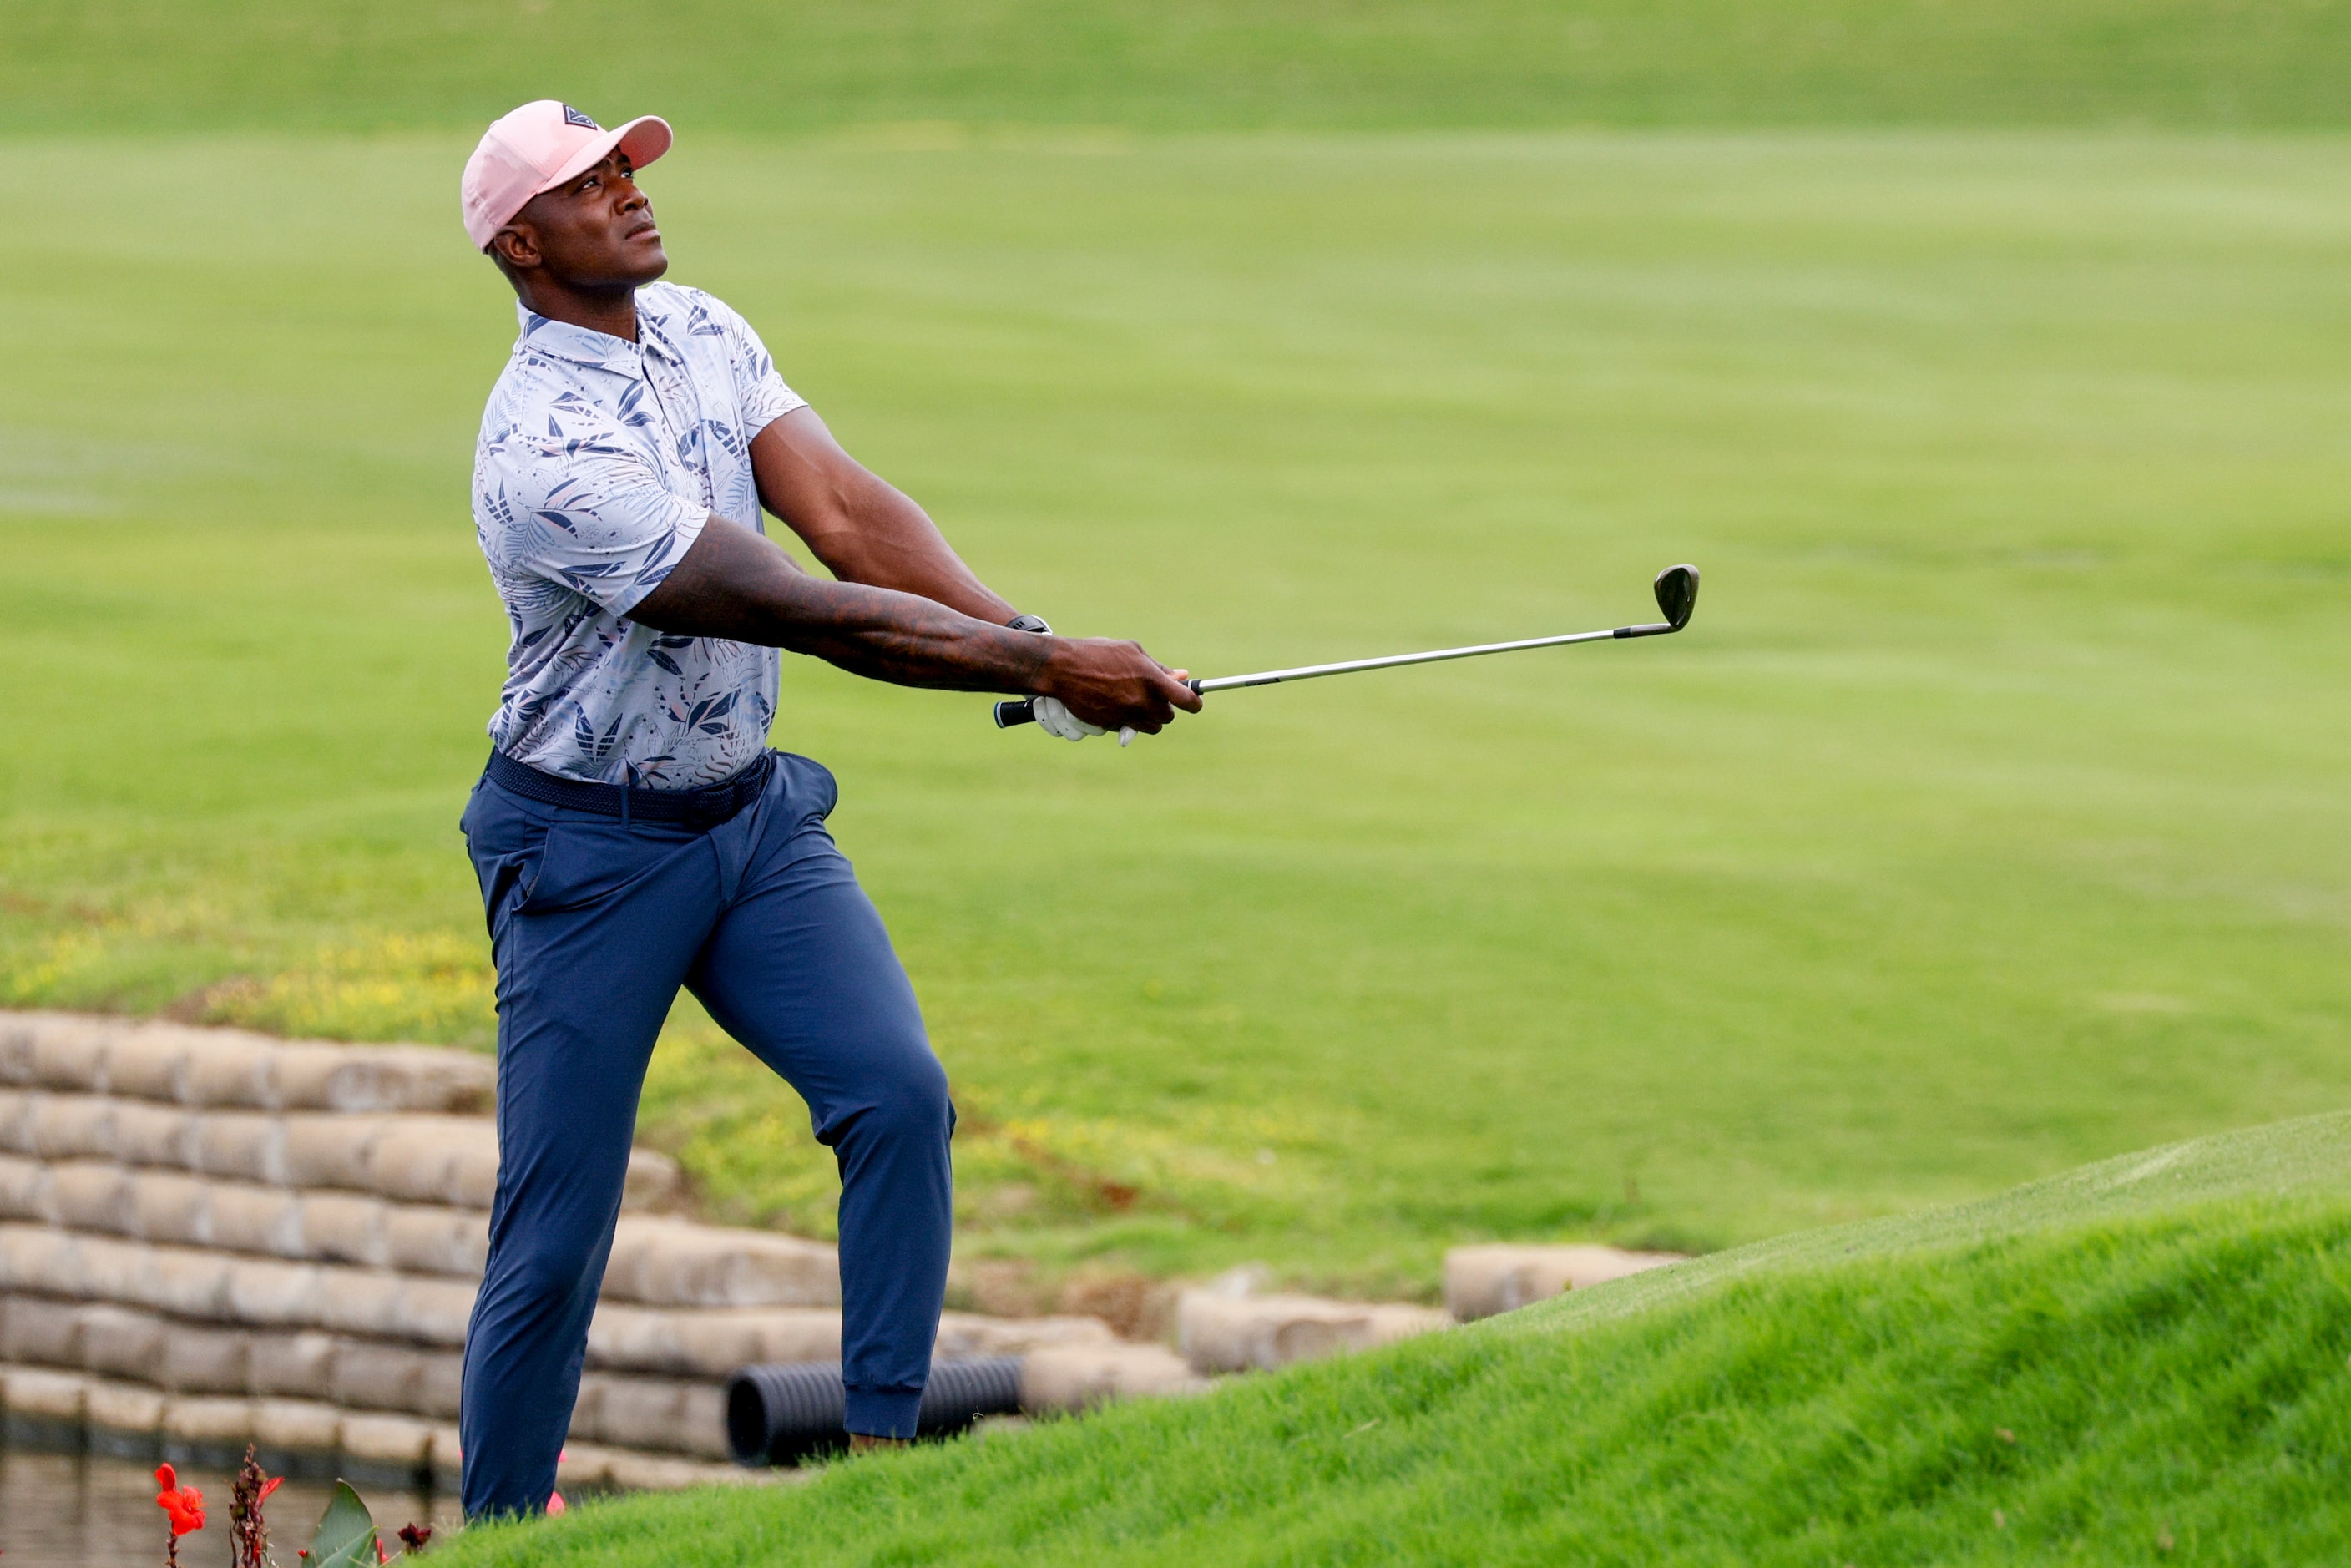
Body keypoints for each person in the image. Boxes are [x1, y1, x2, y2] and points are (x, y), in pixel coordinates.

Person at [453, 99, 1198, 1518]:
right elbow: (803, 608)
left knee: (900, 1097)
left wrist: (1030, 645)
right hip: (584, 852)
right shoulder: (539, 449)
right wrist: (1050, 666)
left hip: (748, 824)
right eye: (586, 183)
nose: (627, 190)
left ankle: (880, 1477)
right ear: (521, 242)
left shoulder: (704, 330)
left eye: (626, 167)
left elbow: (848, 518)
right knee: (555, 1238)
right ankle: (497, 1539)